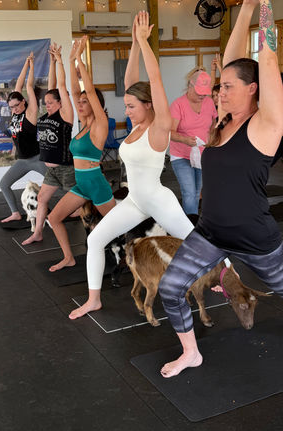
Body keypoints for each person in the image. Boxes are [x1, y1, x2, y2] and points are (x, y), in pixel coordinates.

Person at [158, 0, 283, 378]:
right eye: (218, 86)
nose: (220, 92)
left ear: (253, 90)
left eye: (228, 87)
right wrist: (244, 7)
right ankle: (191, 353)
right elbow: (232, 58)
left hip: (255, 237)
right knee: (170, 288)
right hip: (210, 234)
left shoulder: (266, 124)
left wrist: (264, 8)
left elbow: (270, 58)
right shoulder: (223, 121)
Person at [68, 11, 195, 320]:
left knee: (197, 243)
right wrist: (133, 44)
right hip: (136, 200)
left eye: (131, 106)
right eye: (126, 105)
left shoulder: (159, 126)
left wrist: (144, 41)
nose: (126, 111)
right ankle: (93, 299)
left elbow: (153, 81)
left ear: (148, 105)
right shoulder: (137, 127)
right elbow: (132, 79)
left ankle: (227, 280)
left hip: (158, 198)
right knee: (96, 239)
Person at [46, 36, 116, 271]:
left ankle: (141, 255)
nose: (80, 103)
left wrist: (80, 62)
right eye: (80, 101)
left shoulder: (100, 125)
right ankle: (68, 257)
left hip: (96, 185)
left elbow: (90, 95)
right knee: (54, 218)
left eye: (85, 101)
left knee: (119, 226)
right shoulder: (82, 126)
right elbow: (74, 92)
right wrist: (67, 59)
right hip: (81, 185)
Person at [22, 43, 76, 245]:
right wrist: (52, 62)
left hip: (66, 168)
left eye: (51, 102)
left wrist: (61, 60)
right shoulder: (47, 115)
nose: (47, 104)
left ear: (61, 102)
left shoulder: (65, 116)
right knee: (42, 199)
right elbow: (53, 86)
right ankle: (38, 232)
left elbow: (60, 87)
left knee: (78, 209)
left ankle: (98, 227)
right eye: (46, 102)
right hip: (51, 171)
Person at [0, 52, 47, 223]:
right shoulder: (15, 113)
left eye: (16, 106)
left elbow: (27, 87)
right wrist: (25, 64)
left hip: (37, 158)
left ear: (24, 102)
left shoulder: (30, 113)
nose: (14, 109)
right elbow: (17, 87)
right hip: (22, 161)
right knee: (4, 184)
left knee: (61, 184)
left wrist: (32, 66)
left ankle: (77, 206)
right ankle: (16, 213)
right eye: (11, 107)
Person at [169, 68, 218, 216]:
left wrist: (213, 139)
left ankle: (192, 221)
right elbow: (169, 132)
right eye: (199, 93)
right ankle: (190, 230)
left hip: (203, 154)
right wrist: (184, 139)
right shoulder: (178, 105)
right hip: (181, 155)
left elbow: (214, 124)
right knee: (189, 192)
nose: (202, 96)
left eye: (205, 93)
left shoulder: (209, 102)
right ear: (190, 86)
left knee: (197, 192)